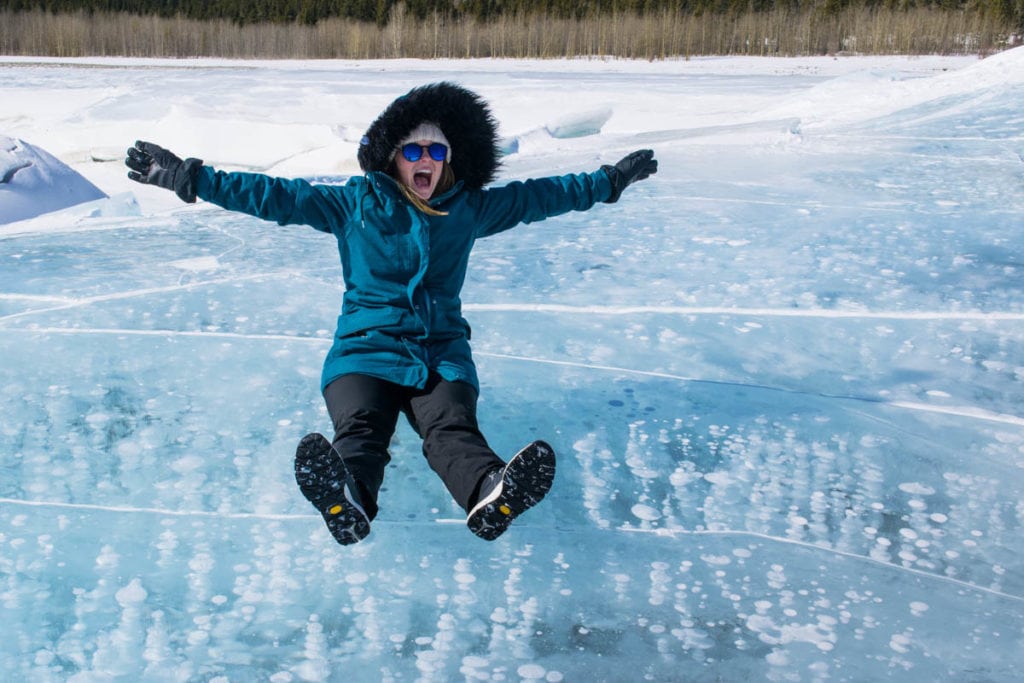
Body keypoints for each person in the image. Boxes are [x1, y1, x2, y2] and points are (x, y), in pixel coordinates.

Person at [125, 81, 657, 545]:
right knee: (361, 428)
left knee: (452, 427)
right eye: (414, 150)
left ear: (450, 159)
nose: (425, 160)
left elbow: (540, 196)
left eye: (437, 151)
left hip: (440, 353)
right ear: (393, 157)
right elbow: (274, 196)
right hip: (364, 349)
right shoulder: (355, 203)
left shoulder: (469, 208)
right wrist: (191, 179)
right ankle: (347, 499)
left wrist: (606, 183)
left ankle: (490, 492)